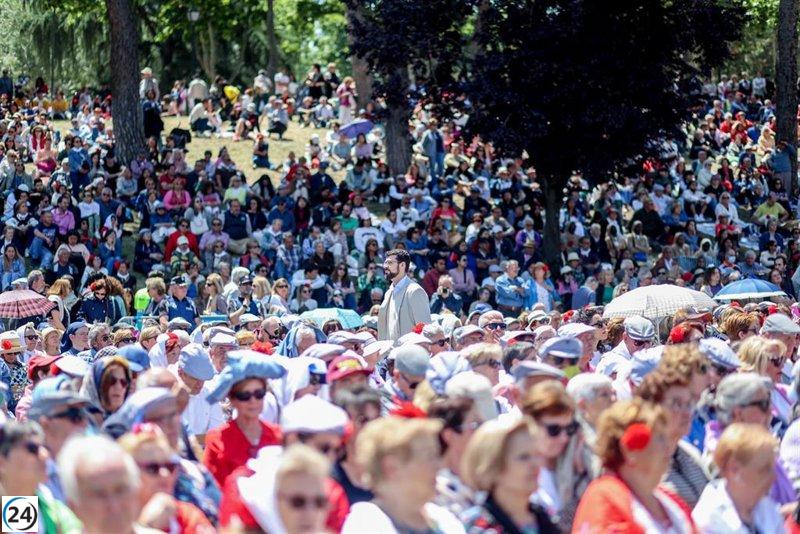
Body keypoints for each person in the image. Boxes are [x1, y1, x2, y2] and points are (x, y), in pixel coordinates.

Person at [572, 398, 696, 532]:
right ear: (630, 449)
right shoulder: (604, 502)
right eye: (660, 438)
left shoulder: (669, 500)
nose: (668, 447)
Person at [341, 416, 464, 533]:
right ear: (391, 468)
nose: (438, 466)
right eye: (428, 457)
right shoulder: (365, 525)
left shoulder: (444, 520)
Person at [460, 418, 558, 533]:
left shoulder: (544, 517)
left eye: (538, 454)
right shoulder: (478, 526)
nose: (537, 464)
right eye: (524, 457)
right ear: (493, 466)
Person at [203, 351, 286, 486]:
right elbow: (213, 490)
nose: (253, 401)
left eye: (259, 394)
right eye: (244, 395)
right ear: (232, 399)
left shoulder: (279, 435)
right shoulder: (217, 439)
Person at [118, 424, 214, 532]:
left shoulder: (186, 515)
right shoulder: (111, 516)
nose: (165, 474)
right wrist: (146, 526)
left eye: (170, 467)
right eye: (152, 468)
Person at [692, 423, 783, 533]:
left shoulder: (767, 508)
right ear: (734, 469)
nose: (773, 477)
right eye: (764, 470)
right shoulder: (707, 519)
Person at [57, 434, 143, 534]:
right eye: (99, 495)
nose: (114, 505)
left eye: (120, 490)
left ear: (137, 491)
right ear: (74, 507)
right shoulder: (37, 500)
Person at [377, 249, 432, 340]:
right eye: (385, 263)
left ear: (402, 265)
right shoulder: (388, 293)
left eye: (390, 263)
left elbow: (425, 329)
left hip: (410, 351)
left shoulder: (415, 291)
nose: (385, 266)